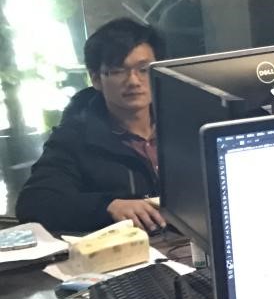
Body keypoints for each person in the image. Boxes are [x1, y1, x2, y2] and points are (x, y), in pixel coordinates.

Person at [17, 19, 166, 233]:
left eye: (143, 69)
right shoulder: (75, 138)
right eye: (118, 71)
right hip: (127, 248)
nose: (134, 81)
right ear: (96, 79)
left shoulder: (185, 122)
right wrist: (108, 206)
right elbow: (34, 203)